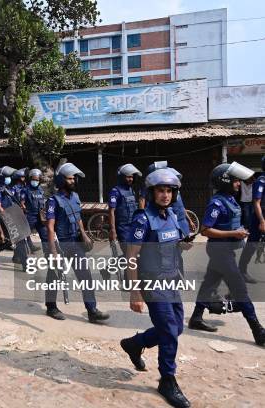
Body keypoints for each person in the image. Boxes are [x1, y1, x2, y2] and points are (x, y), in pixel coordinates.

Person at [120, 168, 191, 408]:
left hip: (171, 280)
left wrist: (182, 245)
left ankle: (134, 344)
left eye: (169, 190)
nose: (165, 195)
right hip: (151, 283)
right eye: (161, 190)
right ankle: (167, 380)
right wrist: (135, 291)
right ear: (152, 193)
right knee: (169, 330)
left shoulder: (170, 215)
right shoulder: (143, 218)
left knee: (176, 327)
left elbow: (170, 244)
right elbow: (131, 255)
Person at [187, 162, 265, 346]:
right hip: (220, 251)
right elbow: (205, 230)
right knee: (240, 291)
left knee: (209, 284)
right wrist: (234, 233)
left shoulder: (230, 199)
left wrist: (237, 232)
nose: (239, 184)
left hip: (225, 250)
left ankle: (196, 318)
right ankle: (258, 330)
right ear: (225, 181)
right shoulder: (217, 203)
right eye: (236, 181)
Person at [46, 163, 109, 323]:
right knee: (54, 276)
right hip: (61, 244)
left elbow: (78, 218)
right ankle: (51, 306)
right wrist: (53, 252)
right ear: (61, 180)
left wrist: (85, 235)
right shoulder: (53, 201)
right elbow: (50, 226)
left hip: (75, 242)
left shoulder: (75, 197)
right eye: (69, 178)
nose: (73, 181)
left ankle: (92, 310)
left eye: (74, 178)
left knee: (85, 276)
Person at [238, 155, 265, 283]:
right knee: (252, 245)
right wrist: (262, 221)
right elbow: (256, 203)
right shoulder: (261, 181)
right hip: (260, 218)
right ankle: (242, 271)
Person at [108, 163, 142, 253]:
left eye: (132, 177)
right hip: (123, 229)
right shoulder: (115, 191)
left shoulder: (131, 190)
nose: (130, 179)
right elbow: (111, 211)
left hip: (134, 226)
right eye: (128, 177)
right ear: (121, 177)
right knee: (128, 253)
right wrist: (113, 230)